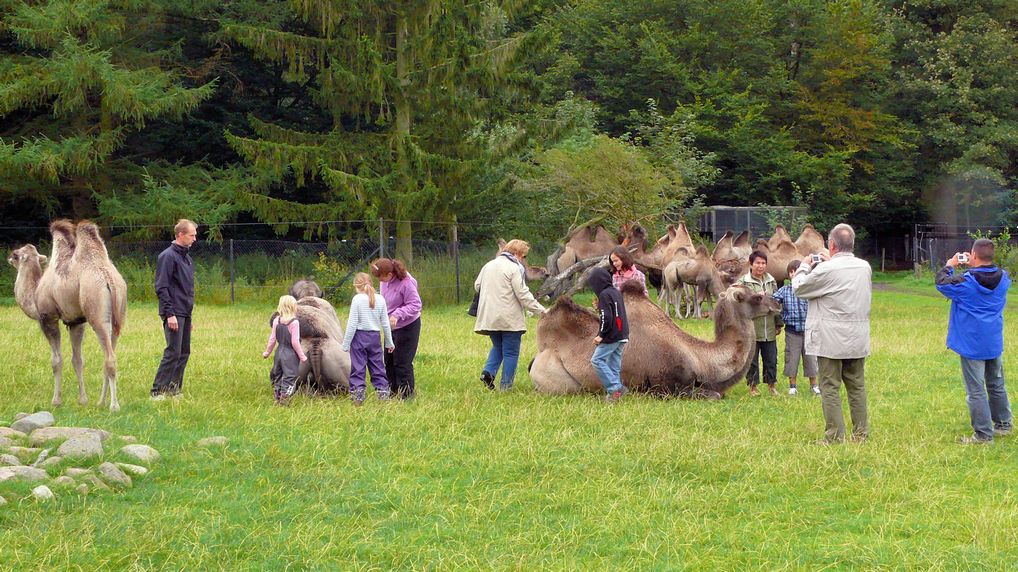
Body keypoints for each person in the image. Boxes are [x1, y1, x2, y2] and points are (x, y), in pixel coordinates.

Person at [792, 223, 871, 444]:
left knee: (830, 387)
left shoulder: (826, 269)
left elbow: (799, 288)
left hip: (830, 340)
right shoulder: (864, 267)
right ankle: (861, 434)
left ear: (831, 244)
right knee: (856, 386)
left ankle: (835, 436)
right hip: (857, 337)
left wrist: (805, 266)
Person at [935, 239, 1012, 444]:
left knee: (975, 389)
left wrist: (950, 265)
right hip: (993, 340)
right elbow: (987, 276)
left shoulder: (967, 281)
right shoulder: (1004, 278)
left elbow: (941, 283)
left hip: (972, 343)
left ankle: (983, 435)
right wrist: (975, 266)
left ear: (973, 255)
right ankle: (1003, 424)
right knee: (996, 384)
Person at [473, 239, 546, 391]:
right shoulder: (514, 267)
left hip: (489, 316)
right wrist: (542, 310)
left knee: (498, 346)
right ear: (518, 253)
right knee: (511, 352)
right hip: (509, 317)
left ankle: (488, 372)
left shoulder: (489, 265)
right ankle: (506, 386)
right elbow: (522, 293)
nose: (523, 259)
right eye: (524, 256)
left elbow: (477, 285)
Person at [151, 219, 197, 400]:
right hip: (173, 312)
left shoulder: (187, 258)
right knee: (173, 351)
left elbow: (187, 289)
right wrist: (170, 314)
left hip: (185, 312)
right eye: (192, 235)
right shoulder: (167, 256)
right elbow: (161, 287)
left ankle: (173, 389)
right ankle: (157, 391)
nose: (195, 238)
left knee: (184, 351)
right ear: (180, 235)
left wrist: (189, 317)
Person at [370, 258, 423, 400]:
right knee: (389, 360)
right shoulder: (384, 283)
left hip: (408, 326)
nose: (379, 281)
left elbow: (415, 304)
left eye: (380, 277)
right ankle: (392, 392)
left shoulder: (406, 282)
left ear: (389, 274)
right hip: (391, 327)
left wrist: (397, 315)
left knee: (402, 361)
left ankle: (407, 396)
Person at [342, 273, 394, 406]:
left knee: (358, 368)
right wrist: (389, 342)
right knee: (378, 366)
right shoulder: (380, 299)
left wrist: (346, 343)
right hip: (375, 337)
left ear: (356, 286)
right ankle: (383, 395)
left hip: (359, 337)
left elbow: (352, 323)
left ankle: (358, 398)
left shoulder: (357, 299)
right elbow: (385, 323)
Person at [773, 259, 820, 396]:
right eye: (792, 272)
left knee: (811, 358)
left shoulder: (810, 289)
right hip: (792, 331)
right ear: (788, 275)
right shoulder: (785, 290)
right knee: (791, 358)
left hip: (809, 330)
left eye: (797, 271)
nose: (794, 274)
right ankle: (792, 386)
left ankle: (814, 385)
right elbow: (773, 300)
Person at [738, 250, 782, 396]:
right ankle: (753, 387)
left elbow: (776, 303)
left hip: (768, 326)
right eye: (757, 263)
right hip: (751, 327)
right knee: (752, 359)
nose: (760, 266)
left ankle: (771, 385)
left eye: (763, 263)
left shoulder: (771, 281)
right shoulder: (743, 282)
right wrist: (753, 297)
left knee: (771, 358)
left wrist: (778, 323)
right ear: (751, 264)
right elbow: (737, 300)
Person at [588, 267, 630, 403]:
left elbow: (606, 317)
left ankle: (615, 387)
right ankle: (614, 397)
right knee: (614, 365)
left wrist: (601, 335)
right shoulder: (615, 292)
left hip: (611, 335)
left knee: (597, 360)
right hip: (622, 334)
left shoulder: (604, 295)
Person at [263, 295, 308, 405]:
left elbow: (272, 339)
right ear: (293, 307)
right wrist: (302, 356)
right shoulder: (294, 322)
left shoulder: (276, 320)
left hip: (279, 352)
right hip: (290, 354)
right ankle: (285, 399)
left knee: (278, 375)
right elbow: (295, 342)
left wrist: (267, 352)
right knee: (290, 376)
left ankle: (277, 397)